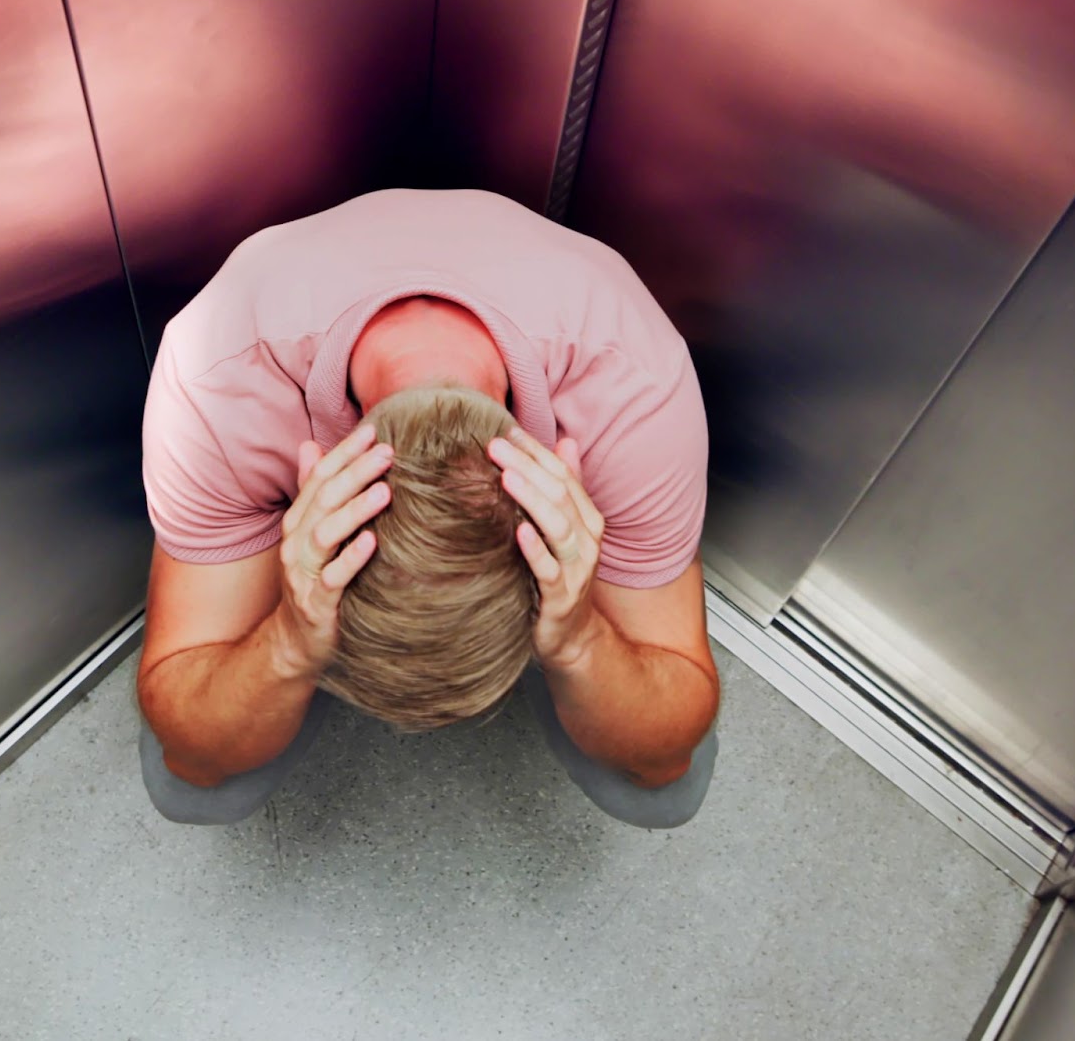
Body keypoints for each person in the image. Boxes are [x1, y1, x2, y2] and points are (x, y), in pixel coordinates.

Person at [136, 188, 720, 829]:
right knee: (195, 785)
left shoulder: (633, 392)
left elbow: (664, 759)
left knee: (659, 788)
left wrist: (579, 641)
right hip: (265, 360)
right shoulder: (215, 381)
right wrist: (288, 644)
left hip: (592, 354)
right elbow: (192, 758)